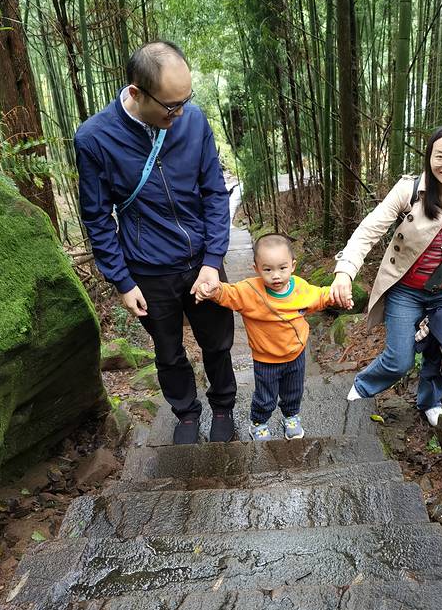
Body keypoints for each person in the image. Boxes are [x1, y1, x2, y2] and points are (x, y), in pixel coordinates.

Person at [74, 40, 236, 445]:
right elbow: (97, 216)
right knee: (167, 351)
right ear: (136, 92)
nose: (179, 113)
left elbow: (215, 192)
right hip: (148, 270)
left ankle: (222, 406)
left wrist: (213, 259)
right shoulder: (95, 139)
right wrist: (123, 281)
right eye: (170, 106)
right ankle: (185, 414)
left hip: (201, 258)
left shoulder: (194, 121)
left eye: (185, 101)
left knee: (217, 341)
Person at [329, 122, 442, 426]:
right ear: (429, 156)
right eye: (440, 156)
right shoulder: (411, 189)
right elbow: (369, 230)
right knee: (400, 358)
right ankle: (364, 385)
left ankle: (429, 400)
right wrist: (345, 271)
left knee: (437, 354)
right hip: (405, 290)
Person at [196, 234, 352, 440]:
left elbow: (321, 296)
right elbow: (228, 293)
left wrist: (338, 296)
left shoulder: (300, 288)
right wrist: (212, 291)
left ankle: (291, 416)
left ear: (293, 266)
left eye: (282, 268)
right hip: (266, 360)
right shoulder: (250, 291)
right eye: (267, 269)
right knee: (265, 397)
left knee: (294, 392)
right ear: (256, 268)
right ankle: (259, 422)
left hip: (296, 355)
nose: (276, 275)